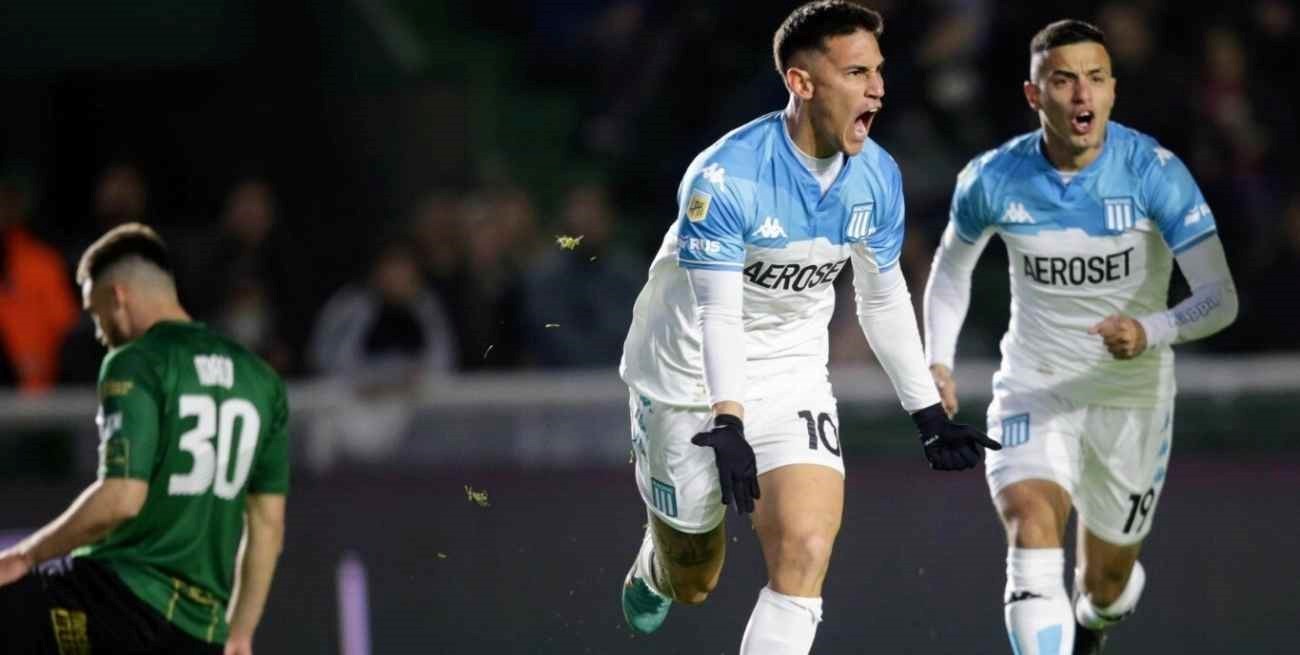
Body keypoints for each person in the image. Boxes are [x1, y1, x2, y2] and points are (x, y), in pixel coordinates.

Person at [618, 3, 999, 653]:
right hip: (686, 374)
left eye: (878, 71)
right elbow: (718, 313)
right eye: (856, 72)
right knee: (693, 580)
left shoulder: (876, 176)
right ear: (801, 82)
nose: (877, 88)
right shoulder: (726, 178)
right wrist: (729, 419)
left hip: (791, 368)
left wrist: (928, 415)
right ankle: (657, 563)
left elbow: (882, 299)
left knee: (806, 547)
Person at [922, 19, 1238, 655]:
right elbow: (951, 271)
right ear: (1034, 94)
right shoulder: (991, 178)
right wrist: (938, 360)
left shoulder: (1155, 173)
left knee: (1105, 585)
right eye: (1063, 80)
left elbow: (1220, 297)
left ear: (1113, 90)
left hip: (1131, 400)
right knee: (1031, 527)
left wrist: (1150, 329)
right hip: (1034, 388)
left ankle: (1095, 620)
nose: (1081, 94)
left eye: (1095, 78)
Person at [0, 223, 290, 655]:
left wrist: (25, 556)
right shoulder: (262, 380)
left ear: (118, 296)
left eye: (95, 313)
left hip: (119, 606)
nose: (98, 331)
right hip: (200, 635)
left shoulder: (137, 361)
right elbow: (268, 525)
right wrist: (240, 634)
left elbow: (121, 498)